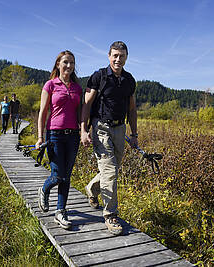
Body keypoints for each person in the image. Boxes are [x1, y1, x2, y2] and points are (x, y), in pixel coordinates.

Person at [80, 41, 138, 236]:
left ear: (126, 58)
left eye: (121, 56)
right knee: (110, 170)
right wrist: (83, 130)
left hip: (120, 128)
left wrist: (134, 134)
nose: (118, 59)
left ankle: (91, 188)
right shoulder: (99, 76)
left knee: (113, 168)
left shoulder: (129, 80)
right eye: (114, 55)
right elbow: (86, 104)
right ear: (108, 56)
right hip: (101, 127)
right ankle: (110, 215)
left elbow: (132, 108)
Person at [36, 50, 83, 230]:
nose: (69, 66)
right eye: (65, 62)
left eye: (72, 63)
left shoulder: (77, 88)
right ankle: (44, 189)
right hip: (54, 135)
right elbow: (42, 114)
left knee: (67, 177)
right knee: (57, 176)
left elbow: (80, 113)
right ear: (58, 64)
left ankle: (60, 211)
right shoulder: (50, 85)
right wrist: (40, 137)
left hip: (72, 136)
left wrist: (83, 131)